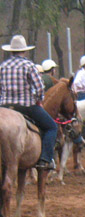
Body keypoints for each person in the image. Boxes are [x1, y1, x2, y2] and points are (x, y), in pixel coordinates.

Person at [0, 35, 57, 170]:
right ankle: (45, 159)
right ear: (25, 51)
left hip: (4, 106)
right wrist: (38, 100)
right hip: (26, 106)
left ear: (11, 51)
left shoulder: (2, 66)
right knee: (51, 127)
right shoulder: (29, 65)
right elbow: (39, 87)